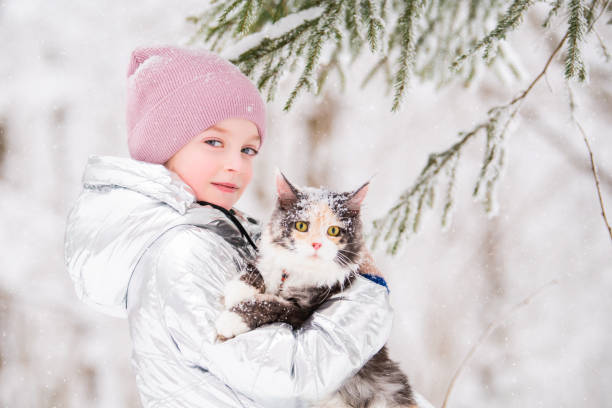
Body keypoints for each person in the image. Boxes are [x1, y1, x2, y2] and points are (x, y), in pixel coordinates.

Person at [64, 46, 401, 408]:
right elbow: (290, 373)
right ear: (164, 145)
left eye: (248, 150)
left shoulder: (213, 234)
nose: (236, 165)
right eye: (214, 142)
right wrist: (366, 290)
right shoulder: (183, 251)